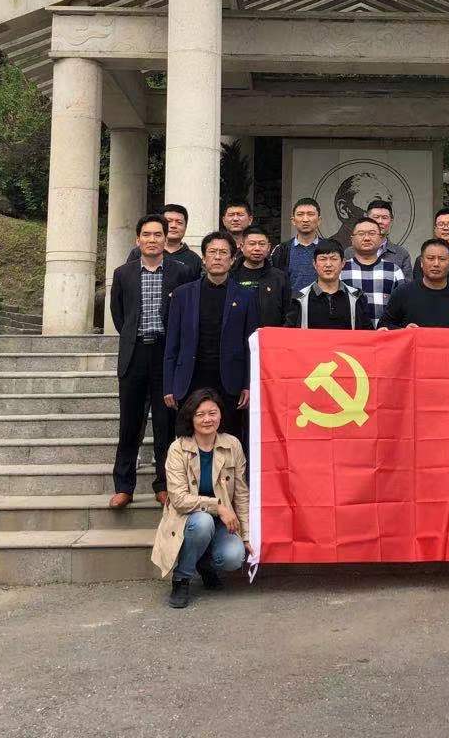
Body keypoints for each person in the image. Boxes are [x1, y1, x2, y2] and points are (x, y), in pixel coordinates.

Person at [108, 213, 199, 510]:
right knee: (129, 424)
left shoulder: (181, 272)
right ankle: (124, 486)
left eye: (157, 234)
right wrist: (133, 337)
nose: (152, 240)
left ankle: (164, 484)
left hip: (166, 355)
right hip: (134, 354)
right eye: (146, 235)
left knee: (165, 424)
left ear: (165, 238)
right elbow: (119, 315)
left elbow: (187, 313)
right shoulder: (123, 274)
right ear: (138, 240)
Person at [152, 388, 251, 609]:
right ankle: (182, 578)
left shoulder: (232, 444)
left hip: (224, 522)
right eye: (200, 414)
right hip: (190, 519)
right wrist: (218, 506)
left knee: (234, 557)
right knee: (203, 522)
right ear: (191, 417)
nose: (207, 419)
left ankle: (206, 564)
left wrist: (246, 535)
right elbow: (179, 499)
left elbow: (242, 493)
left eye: (212, 413)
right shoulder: (178, 448)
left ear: (220, 415)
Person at [164, 232, 260, 453]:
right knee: (189, 439)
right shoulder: (182, 295)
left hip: (230, 381)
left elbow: (251, 346)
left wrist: (248, 384)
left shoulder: (246, 296)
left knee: (230, 438)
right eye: (212, 252)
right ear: (204, 258)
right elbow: (172, 344)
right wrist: (169, 385)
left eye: (223, 252)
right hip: (190, 378)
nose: (217, 257)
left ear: (232, 259)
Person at [381, 238, 449, 329]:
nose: (436, 264)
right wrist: (405, 331)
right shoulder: (402, 293)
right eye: (430, 258)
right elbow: (384, 326)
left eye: (442, 259)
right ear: (421, 262)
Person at [287, 239, 375, 330]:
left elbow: (368, 333)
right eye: (323, 259)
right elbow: (289, 333)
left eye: (334, 259)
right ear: (314, 264)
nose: (328, 264)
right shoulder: (299, 299)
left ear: (343, 263)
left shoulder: (357, 297)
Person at [340, 216, 405, 327]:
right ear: (352, 239)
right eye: (361, 234)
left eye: (372, 233)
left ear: (380, 239)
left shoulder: (394, 271)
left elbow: (402, 307)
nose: (366, 238)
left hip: (385, 334)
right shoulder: (341, 270)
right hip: (349, 335)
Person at [231, 225, 288, 327]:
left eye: (262, 244)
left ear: (268, 247)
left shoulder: (280, 278)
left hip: (269, 334)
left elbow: (288, 313)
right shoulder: (231, 276)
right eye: (252, 244)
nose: (257, 248)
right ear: (242, 247)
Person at [350, 198, 413, 280]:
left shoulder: (401, 254)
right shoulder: (350, 252)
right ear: (366, 219)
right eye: (376, 217)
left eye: (384, 217)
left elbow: (407, 285)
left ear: (391, 220)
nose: (380, 221)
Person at [272, 197, 324, 294]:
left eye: (310, 214)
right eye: (300, 214)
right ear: (293, 220)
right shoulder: (282, 250)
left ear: (319, 220)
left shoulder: (328, 248)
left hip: (322, 301)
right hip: (290, 302)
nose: (305, 219)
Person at [158, 203, 203, 277]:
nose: (173, 226)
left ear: (185, 227)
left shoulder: (194, 259)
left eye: (179, 222)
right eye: (168, 221)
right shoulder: (145, 253)